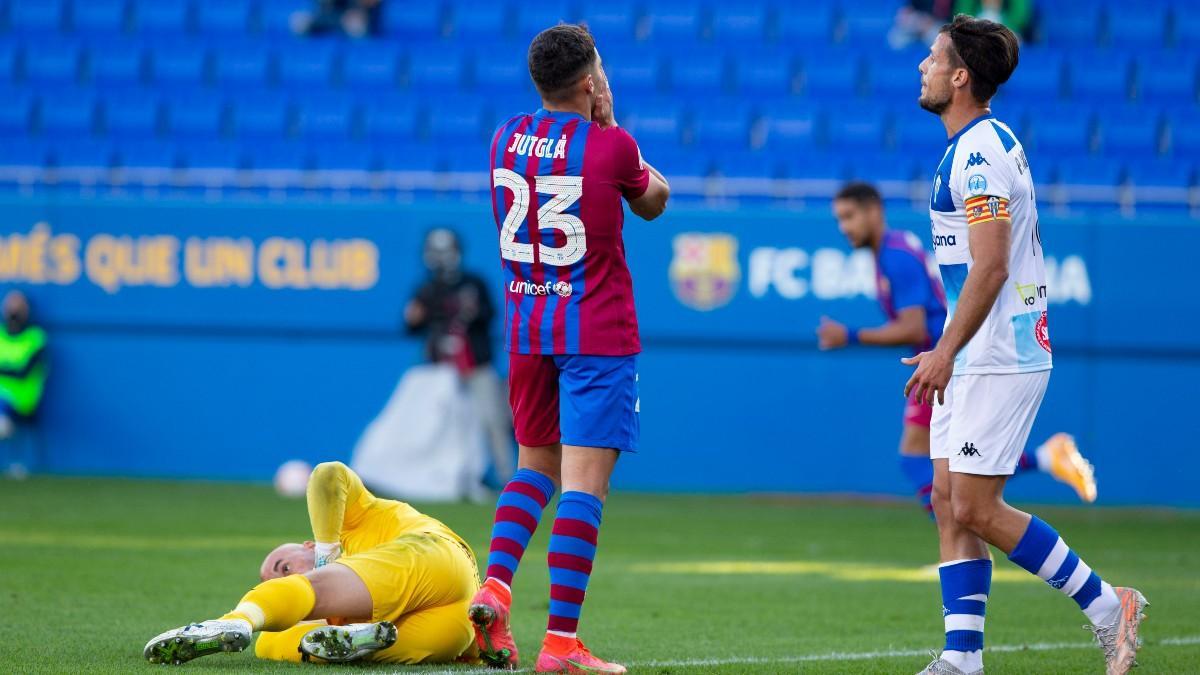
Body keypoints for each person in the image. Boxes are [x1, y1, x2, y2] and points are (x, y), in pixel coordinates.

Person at [907, 15, 1146, 675]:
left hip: (999, 351)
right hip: (977, 348)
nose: (921, 67)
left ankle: (1106, 604)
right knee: (948, 499)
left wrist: (946, 350)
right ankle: (962, 657)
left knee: (977, 506)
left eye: (932, 57)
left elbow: (990, 267)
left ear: (960, 76)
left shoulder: (980, 150)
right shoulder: (973, 142)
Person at [470, 23, 670, 675]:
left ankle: (495, 585)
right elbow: (655, 202)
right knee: (584, 486)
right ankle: (561, 644)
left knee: (533, 469)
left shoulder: (504, 137)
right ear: (590, 82)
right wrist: (611, 123)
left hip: (529, 326)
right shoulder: (612, 146)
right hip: (596, 333)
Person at [818, 182, 1098, 516]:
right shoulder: (892, 249)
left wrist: (848, 336)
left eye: (849, 216)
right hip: (946, 358)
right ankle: (1046, 459)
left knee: (922, 459)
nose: (843, 227)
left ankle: (959, 540)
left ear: (873, 211)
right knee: (956, 462)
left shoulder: (894, 257)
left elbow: (914, 327)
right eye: (839, 218)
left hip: (945, 360)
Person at [142, 462, 480, 666]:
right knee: (276, 642)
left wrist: (325, 554)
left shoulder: (352, 522)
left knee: (271, 628)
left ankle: (232, 621)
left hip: (431, 553)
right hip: (455, 618)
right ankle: (354, 643)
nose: (280, 578)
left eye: (283, 568)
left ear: (307, 545)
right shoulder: (344, 609)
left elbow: (328, 473)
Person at [405, 227, 514, 484]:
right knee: (437, 426)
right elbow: (412, 325)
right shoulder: (426, 289)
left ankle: (507, 478)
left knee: (492, 421)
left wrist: (469, 312)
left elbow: (488, 315)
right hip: (439, 371)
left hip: (475, 365)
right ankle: (440, 478)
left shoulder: (473, 283)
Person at [0, 290, 47, 477]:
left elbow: (23, 371)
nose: (13, 312)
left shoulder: (35, 338)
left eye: (18, 307)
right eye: (10, 306)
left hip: (22, 402)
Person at [291, 0, 381, 38]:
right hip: (333, 19)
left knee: (356, 26)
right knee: (300, 23)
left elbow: (370, 4)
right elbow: (324, 8)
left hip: (364, 23)